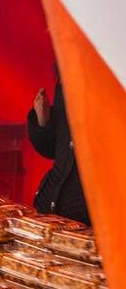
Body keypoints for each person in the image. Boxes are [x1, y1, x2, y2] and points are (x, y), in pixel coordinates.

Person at [29, 67, 90, 224]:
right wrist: (43, 122)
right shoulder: (66, 76)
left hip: (87, 218)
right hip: (51, 209)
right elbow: (55, 150)